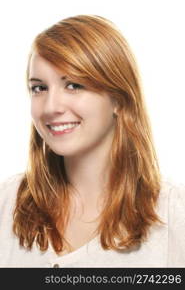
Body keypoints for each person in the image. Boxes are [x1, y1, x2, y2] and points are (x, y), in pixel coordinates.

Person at [0, 14, 185, 268]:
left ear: (119, 100)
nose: (51, 107)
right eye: (39, 88)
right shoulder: (6, 204)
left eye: (74, 85)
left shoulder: (173, 216)